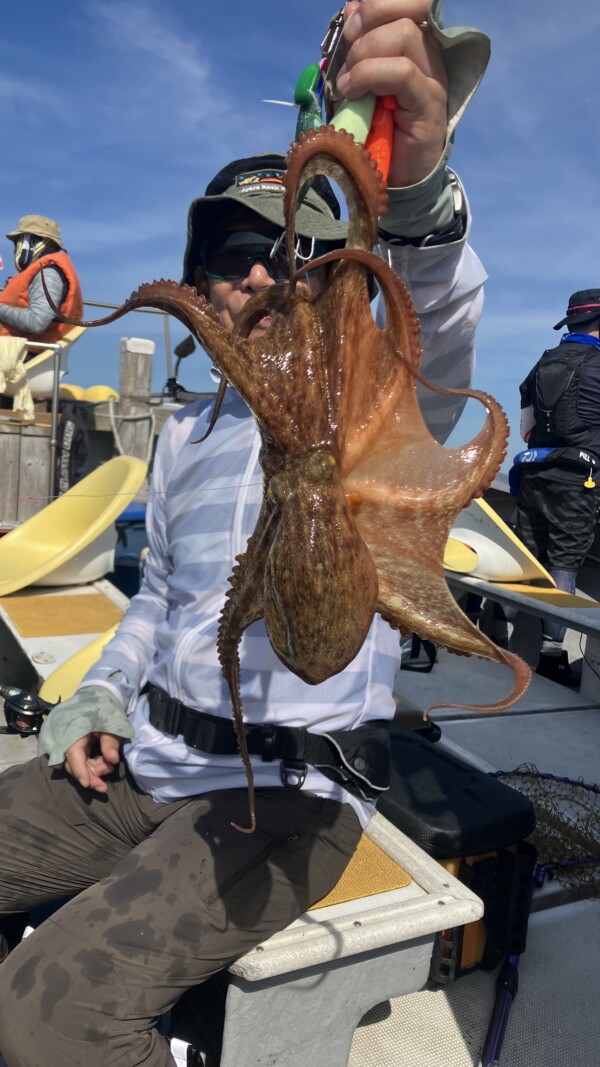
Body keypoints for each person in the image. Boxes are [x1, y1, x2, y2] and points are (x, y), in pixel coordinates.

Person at [0, 3, 490, 1063]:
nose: (263, 275)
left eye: (291, 254)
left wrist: (418, 187)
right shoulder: (182, 434)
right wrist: (102, 693)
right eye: (232, 253)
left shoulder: (375, 408)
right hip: (149, 756)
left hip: (294, 797)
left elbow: (437, 314)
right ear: (201, 281)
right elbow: (164, 599)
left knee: (46, 1015)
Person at [513, 289, 600, 685]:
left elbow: (527, 430)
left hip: (533, 477)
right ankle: (552, 659)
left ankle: (503, 636)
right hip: (576, 483)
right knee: (564, 562)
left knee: (528, 560)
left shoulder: (541, 364)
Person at [0, 214, 82, 416]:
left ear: (33, 242)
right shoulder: (45, 272)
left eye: (17, 243)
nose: (14, 250)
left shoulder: (48, 274)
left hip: (26, 359)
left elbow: (37, 322)